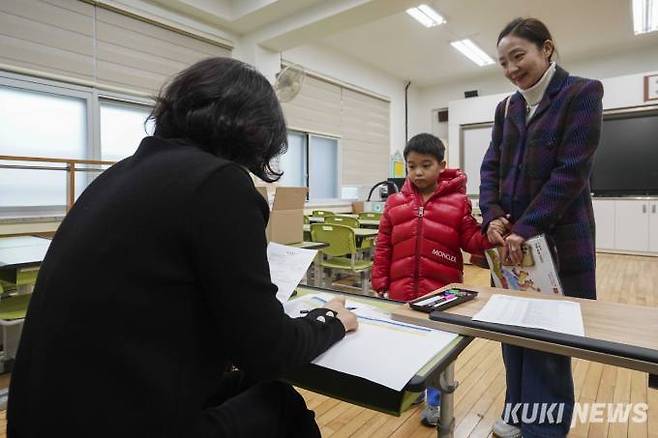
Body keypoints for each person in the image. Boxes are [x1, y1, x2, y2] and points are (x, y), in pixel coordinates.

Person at [7, 57, 358, 438]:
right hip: (116, 420)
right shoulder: (218, 183)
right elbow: (268, 351)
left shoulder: (115, 177)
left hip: (41, 417)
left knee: (244, 387)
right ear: (257, 131)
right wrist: (330, 321)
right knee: (280, 404)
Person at [479, 17, 603, 438]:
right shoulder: (507, 107)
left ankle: (542, 430)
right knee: (511, 332)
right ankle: (516, 412)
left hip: (557, 242)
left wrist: (525, 227)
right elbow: (491, 165)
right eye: (503, 63)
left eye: (519, 56)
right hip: (510, 245)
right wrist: (492, 213)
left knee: (550, 342)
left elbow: (570, 173)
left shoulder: (582, 93)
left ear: (546, 49)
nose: (512, 69)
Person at [372, 133, 491, 427]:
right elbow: (384, 244)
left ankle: (437, 401)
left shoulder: (458, 202)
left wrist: (490, 236)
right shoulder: (395, 202)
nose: (418, 172)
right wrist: (380, 282)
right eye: (412, 166)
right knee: (410, 347)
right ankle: (417, 391)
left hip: (442, 294)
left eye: (426, 165)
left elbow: (471, 240)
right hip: (403, 292)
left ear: (442, 166)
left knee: (440, 350)